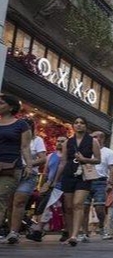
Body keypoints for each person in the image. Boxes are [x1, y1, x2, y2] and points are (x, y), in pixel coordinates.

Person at [53, 117, 101, 246]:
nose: (79, 125)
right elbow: (62, 162)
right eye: (76, 123)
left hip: (84, 174)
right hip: (69, 174)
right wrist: (55, 180)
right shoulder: (67, 142)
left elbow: (98, 159)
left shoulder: (92, 141)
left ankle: (75, 235)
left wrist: (85, 159)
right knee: (68, 207)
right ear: (73, 126)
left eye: (82, 123)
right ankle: (70, 234)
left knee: (78, 204)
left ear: (86, 126)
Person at [0, 94, 34, 244]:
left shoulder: (21, 125)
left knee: (0, 198)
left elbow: (25, 147)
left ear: (11, 107)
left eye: (1, 103)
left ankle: (10, 231)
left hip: (11, 167)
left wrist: (29, 165)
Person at [11, 118, 46, 243]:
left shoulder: (37, 141)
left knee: (19, 202)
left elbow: (43, 159)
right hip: (11, 172)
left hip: (29, 174)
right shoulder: (13, 139)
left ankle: (13, 232)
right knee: (8, 202)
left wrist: (28, 164)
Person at [28, 136, 67, 242]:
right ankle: (39, 231)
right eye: (58, 141)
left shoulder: (69, 156)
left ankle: (66, 231)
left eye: (62, 141)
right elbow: (46, 172)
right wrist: (43, 185)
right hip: (51, 186)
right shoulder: (50, 156)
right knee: (47, 208)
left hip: (64, 187)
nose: (59, 143)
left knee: (65, 210)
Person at [81, 131, 113, 242]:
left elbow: (112, 167)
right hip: (85, 180)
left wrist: (110, 182)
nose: (95, 139)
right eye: (93, 137)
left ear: (102, 139)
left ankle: (102, 227)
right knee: (84, 208)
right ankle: (85, 233)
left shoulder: (108, 152)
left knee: (99, 208)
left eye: (97, 137)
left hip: (100, 182)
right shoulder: (85, 150)